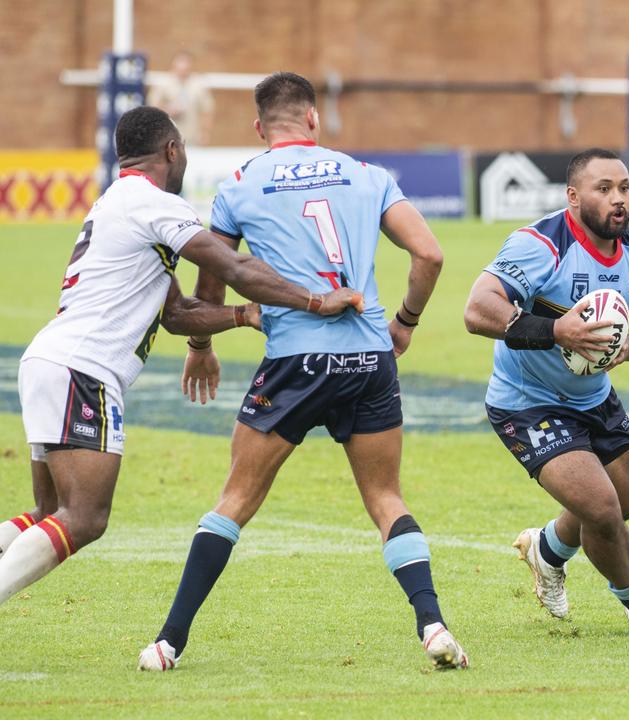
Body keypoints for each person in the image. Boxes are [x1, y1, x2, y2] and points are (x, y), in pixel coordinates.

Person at [135, 72, 462, 671]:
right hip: (369, 357)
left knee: (235, 498)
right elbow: (430, 254)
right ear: (313, 119)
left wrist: (201, 345)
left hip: (295, 360)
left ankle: (168, 642)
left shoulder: (239, 184)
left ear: (259, 128)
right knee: (386, 496)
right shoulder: (367, 176)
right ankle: (434, 625)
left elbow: (216, 281)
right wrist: (407, 323)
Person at [0, 105, 361, 609]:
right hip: (83, 370)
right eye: (184, 148)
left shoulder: (116, 203)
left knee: (49, 510)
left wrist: (241, 317)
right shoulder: (155, 204)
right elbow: (232, 264)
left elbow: (174, 312)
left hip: (50, 362)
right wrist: (314, 299)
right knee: (84, 517)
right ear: (172, 150)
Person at [463, 148, 629, 638]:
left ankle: (547, 551)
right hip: (526, 402)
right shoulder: (540, 245)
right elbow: (478, 309)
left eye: (624, 188)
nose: (618, 199)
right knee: (604, 512)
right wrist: (555, 331)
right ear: (573, 197)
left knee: (623, 502)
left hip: (592, 396)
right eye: (603, 189)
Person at [150, 52, 216, 147]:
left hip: (192, 138)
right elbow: (152, 109)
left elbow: (208, 110)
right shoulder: (162, 83)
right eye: (180, 63)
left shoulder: (199, 84)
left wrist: (205, 133)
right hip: (167, 139)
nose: (183, 68)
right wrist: (167, 110)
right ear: (173, 64)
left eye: (186, 64)